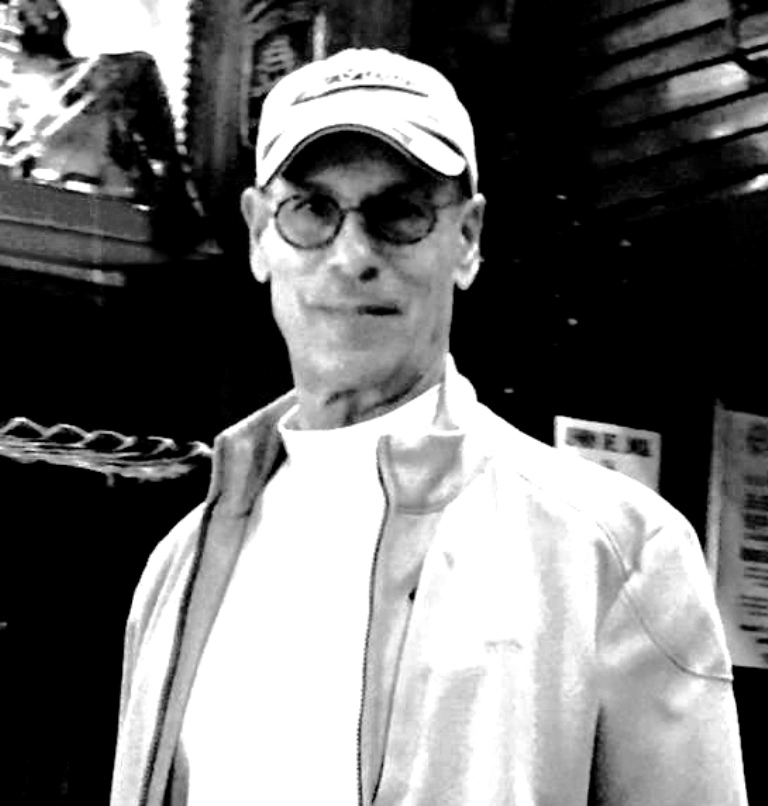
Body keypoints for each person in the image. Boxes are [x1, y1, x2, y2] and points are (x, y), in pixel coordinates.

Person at [109, 47, 748, 806]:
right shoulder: (179, 569)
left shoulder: (614, 551)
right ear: (258, 234)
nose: (352, 256)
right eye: (311, 209)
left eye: (400, 213)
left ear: (468, 239)